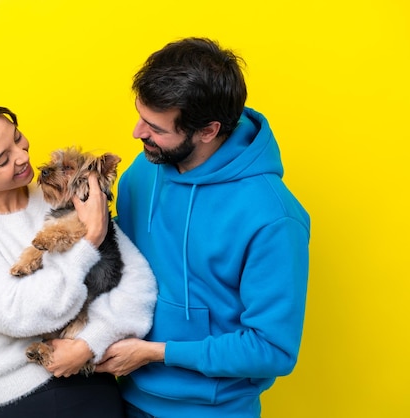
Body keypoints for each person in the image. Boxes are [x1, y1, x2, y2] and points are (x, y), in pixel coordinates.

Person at [95, 37, 311, 417]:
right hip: (124, 396)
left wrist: (155, 353)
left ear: (208, 131)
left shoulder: (273, 218)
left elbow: (273, 350)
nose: (137, 133)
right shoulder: (144, 171)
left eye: (155, 127)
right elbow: (121, 265)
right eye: (140, 116)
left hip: (211, 410)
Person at [0, 97, 157, 418]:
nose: (23, 157)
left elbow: (138, 286)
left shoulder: (64, 193)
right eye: (2, 159)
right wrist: (89, 239)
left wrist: (89, 344)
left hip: (93, 382)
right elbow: (20, 315)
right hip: (20, 398)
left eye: (18, 138)